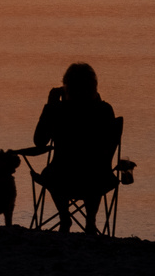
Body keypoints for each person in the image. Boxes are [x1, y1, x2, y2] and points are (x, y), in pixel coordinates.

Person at [32, 62, 119, 232]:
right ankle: (91, 221)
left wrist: (50, 104)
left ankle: (65, 216)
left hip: (62, 178)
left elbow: (39, 141)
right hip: (98, 179)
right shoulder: (105, 110)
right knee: (96, 171)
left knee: (49, 174)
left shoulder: (58, 110)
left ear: (67, 87)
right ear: (94, 86)